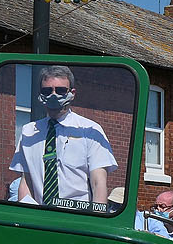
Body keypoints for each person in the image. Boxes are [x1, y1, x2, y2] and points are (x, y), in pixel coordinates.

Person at [10, 66, 116, 208]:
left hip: (77, 218)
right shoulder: (29, 132)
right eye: (47, 91)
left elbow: (98, 183)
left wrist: (97, 223)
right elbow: (26, 181)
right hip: (39, 217)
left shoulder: (90, 131)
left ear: (72, 93)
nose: (53, 95)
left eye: (60, 90)